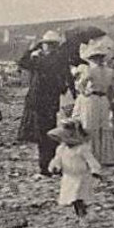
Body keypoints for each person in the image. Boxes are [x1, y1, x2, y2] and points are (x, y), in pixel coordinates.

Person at [18, 30, 75, 176]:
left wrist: (31, 49)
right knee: (50, 134)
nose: (47, 47)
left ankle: (46, 167)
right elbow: (68, 79)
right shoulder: (59, 59)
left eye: (48, 45)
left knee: (44, 136)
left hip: (40, 101)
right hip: (49, 100)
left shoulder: (43, 60)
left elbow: (23, 62)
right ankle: (54, 166)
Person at [73, 40, 114, 164]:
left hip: (92, 99)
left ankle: (91, 156)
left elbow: (80, 86)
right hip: (104, 99)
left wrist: (83, 91)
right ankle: (106, 156)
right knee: (104, 126)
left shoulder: (89, 71)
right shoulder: (110, 71)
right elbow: (113, 87)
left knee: (90, 126)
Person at [46, 117, 101, 224]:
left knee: (78, 197)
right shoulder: (61, 149)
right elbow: (56, 160)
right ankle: (83, 213)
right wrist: (54, 167)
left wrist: (95, 171)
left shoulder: (82, 149)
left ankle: (83, 216)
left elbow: (91, 161)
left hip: (81, 176)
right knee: (72, 198)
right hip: (68, 176)